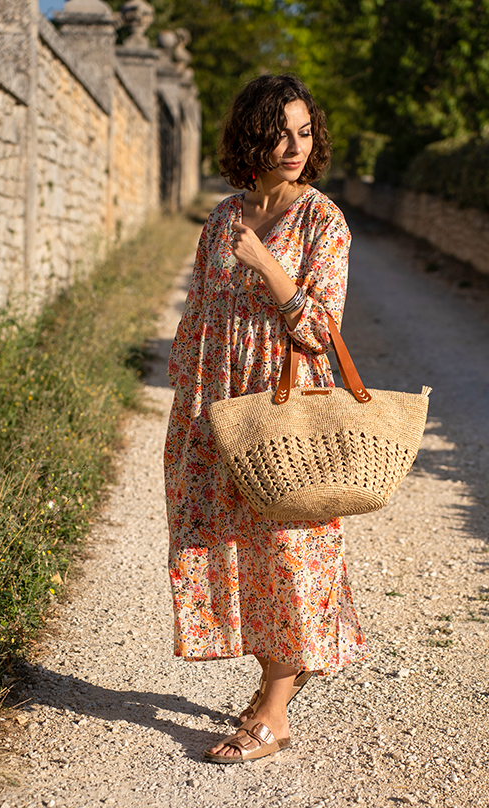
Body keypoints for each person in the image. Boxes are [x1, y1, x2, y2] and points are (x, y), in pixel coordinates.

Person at [164, 73, 368, 763]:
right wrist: (188, 407)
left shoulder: (323, 221)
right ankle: (278, 676)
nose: (294, 146)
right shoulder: (223, 217)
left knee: (289, 549)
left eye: (304, 132)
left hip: (284, 408)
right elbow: (199, 314)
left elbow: (319, 330)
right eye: (280, 133)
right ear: (252, 138)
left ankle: (274, 715)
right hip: (219, 405)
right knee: (233, 547)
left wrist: (268, 265)